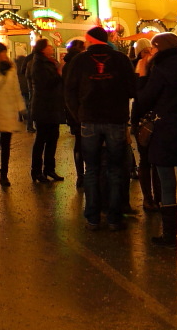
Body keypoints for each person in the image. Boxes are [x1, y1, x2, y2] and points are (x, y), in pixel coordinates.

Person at [134, 33, 177, 248]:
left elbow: (144, 99)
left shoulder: (159, 71)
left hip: (164, 132)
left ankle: (170, 237)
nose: (152, 52)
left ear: (160, 48)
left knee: (167, 184)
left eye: (154, 48)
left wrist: (142, 77)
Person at [64, 26, 136, 230]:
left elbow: (69, 90)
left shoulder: (80, 61)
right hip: (115, 119)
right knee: (115, 169)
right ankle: (114, 217)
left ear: (91, 40)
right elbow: (132, 89)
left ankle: (93, 216)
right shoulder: (121, 60)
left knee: (92, 169)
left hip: (89, 119)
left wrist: (78, 114)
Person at [0, 41, 27, 187]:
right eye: (1, 53)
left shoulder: (11, 68)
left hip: (9, 111)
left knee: (6, 144)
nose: (4, 55)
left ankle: (4, 174)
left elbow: (16, 89)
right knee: (2, 140)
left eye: (5, 52)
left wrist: (21, 108)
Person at [29, 38, 66, 183]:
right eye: (49, 46)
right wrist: (59, 72)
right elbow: (46, 84)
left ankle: (49, 169)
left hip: (53, 106)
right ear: (43, 49)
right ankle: (36, 171)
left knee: (53, 139)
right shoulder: (38, 64)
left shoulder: (50, 62)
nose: (51, 48)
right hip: (43, 107)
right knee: (41, 140)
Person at [132, 37, 162, 212]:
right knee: (148, 161)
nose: (149, 53)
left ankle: (154, 198)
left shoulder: (152, 69)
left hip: (148, 119)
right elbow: (139, 98)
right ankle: (150, 198)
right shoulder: (140, 68)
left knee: (151, 161)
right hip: (146, 119)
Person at [65, 39, 87, 180]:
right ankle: (86, 173)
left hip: (72, 109)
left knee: (79, 143)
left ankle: (80, 175)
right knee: (86, 143)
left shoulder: (67, 65)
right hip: (82, 110)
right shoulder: (80, 64)